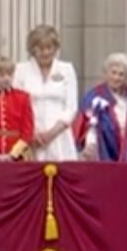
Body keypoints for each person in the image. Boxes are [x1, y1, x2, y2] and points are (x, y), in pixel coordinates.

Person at [14, 25, 79, 161]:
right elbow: (15, 106)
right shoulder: (21, 70)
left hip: (59, 137)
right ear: (32, 49)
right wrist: (31, 133)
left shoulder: (66, 69)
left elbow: (71, 108)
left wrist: (51, 133)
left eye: (49, 48)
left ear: (55, 48)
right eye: (40, 48)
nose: (45, 53)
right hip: (30, 138)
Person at [75, 53, 127, 162]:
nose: (116, 78)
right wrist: (90, 145)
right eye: (113, 73)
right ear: (106, 73)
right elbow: (89, 126)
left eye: (121, 74)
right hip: (103, 153)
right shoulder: (95, 96)